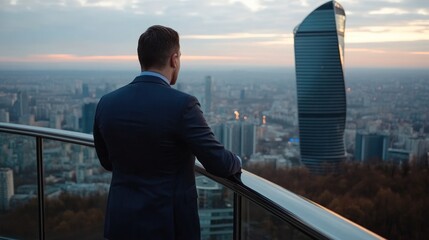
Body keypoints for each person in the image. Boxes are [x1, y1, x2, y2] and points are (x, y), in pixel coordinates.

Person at [93, 25, 242, 240]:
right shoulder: (183, 105)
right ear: (174, 59)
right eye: (179, 57)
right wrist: (237, 160)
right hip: (168, 226)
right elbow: (218, 162)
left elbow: (107, 161)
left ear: (141, 58)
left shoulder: (107, 103)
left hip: (120, 221)